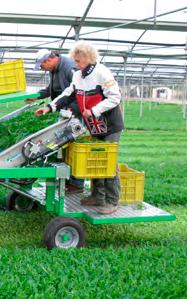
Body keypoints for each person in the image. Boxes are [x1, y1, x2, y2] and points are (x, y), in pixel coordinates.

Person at [35, 41, 124, 215]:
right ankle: (97, 197)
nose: (76, 64)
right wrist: (50, 107)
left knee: (108, 162)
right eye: (75, 60)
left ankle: (112, 201)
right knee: (95, 160)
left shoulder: (102, 73)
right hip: (94, 125)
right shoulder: (78, 75)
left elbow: (115, 98)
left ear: (89, 58)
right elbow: (68, 94)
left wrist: (94, 110)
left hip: (110, 125)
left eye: (78, 60)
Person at [28, 49, 84, 194]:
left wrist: (73, 111)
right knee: (63, 146)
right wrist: (38, 96)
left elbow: (80, 92)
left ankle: (76, 184)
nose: (42, 69)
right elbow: (53, 89)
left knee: (73, 146)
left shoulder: (69, 68)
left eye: (41, 66)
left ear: (48, 60)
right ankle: (67, 180)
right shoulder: (54, 69)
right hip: (64, 111)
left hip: (75, 113)